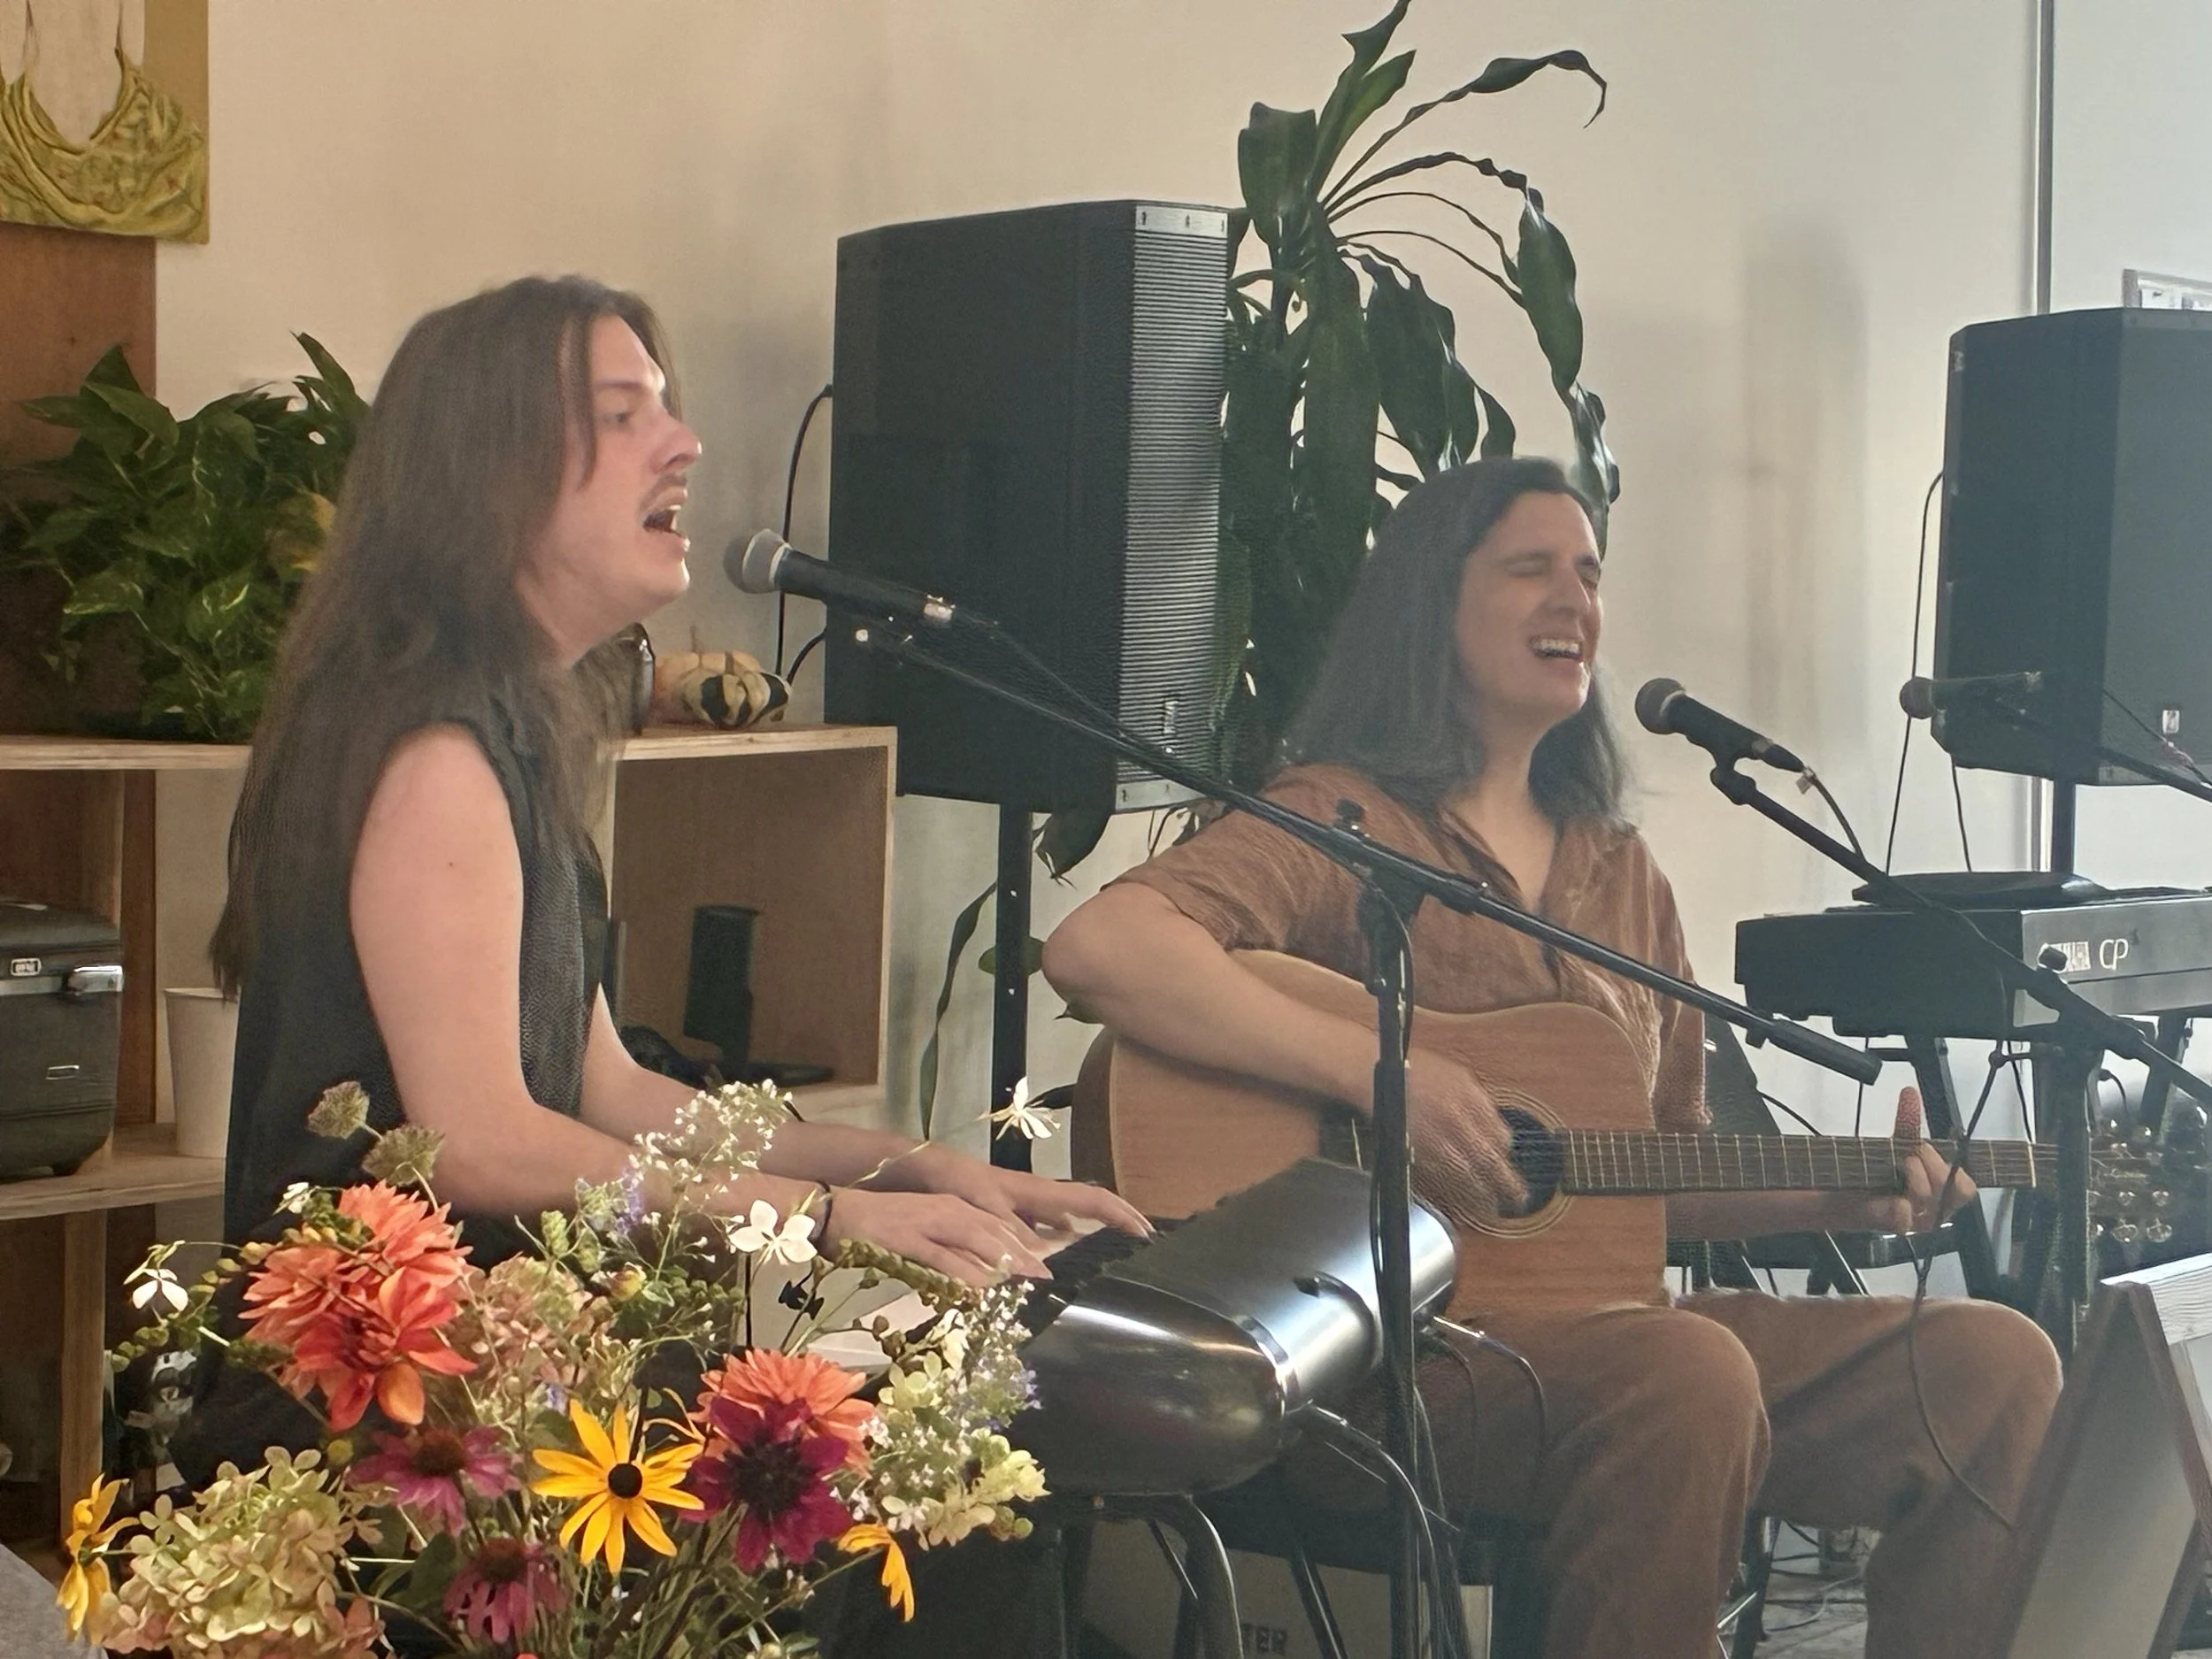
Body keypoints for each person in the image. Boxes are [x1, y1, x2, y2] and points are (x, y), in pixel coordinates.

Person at [1042, 457, 2060, 1659]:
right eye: (1531, 568)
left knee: (1995, 1362)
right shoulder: (1343, 821)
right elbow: (1102, 943)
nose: (1573, 600)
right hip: (1383, 1362)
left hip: (1610, 1335)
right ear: (1433, 604)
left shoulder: (1621, 874)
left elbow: (1651, 1172)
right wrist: (1379, 1066)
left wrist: (1850, 1189)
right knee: (1685, 1369)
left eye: (1589, 572)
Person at [210, 274, 1147, 1294]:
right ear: (487, 474)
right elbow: (475, 1140)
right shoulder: (436, 757)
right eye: (622, 415)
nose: (683, 443)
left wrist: (911, 1166)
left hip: (481, 1356)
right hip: (370, 1393)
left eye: (661, 405)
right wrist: (823, 1219)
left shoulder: (514, 733)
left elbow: (605, 1089)